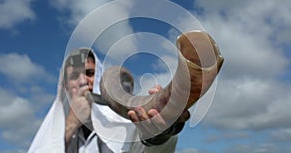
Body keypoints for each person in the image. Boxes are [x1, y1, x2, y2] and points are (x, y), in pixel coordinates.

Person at [28, 48, 189, 153]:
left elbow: (148, 149)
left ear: (98, 77)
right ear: (66, 87)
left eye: (89, 73)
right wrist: (70, 125)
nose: (83, 81)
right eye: (74, 76)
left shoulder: (122, 122)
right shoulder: (54, 129)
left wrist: (161, 133)